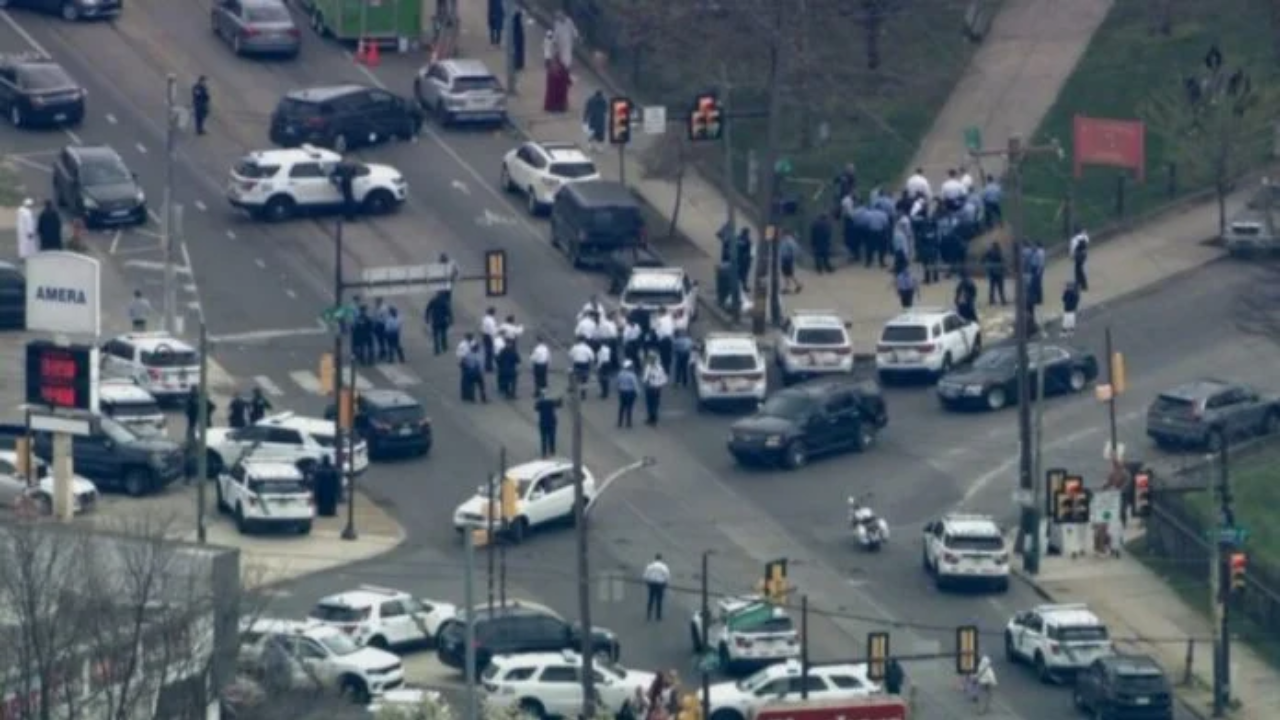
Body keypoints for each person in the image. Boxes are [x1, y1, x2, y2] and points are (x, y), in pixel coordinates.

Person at [643, 553, 670, 621]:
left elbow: (645, 575)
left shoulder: (650, 566)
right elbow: (667, 576)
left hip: (652, 584)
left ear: (655, 558)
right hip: (660, 585)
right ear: (661, 559)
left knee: (651, 599)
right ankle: (658, 616)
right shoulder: (664, 567)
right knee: (659, 600)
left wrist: (647, 582)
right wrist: (665, 583)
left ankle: (648, 614)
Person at [642, 354, 668, 426]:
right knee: (652, 404)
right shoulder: (653, 367)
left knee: (653, 404)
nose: (650, 360)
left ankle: (653, 419)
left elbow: (664, 379)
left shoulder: (656, 368)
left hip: (654, 388)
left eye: (650, 359)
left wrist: (659, 384)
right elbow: (645, 377)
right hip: (652, 388)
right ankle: (651, 418)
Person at [534, 390, 561, 458]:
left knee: (543, 439)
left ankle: (544, 453)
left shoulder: (540, 403)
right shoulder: (551, 402)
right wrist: (560, 398)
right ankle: (552, 452)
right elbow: (559, 404)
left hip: (543, 423)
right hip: (551, 422)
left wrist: (539, 399)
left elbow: (536, 408)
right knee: (552, 438)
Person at [425, 291, 452, 355]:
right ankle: (444, 347)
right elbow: (448, 311)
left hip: (435, 321)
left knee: (435, 336)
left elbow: (428, 309)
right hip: (443, 321)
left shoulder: (433, 301)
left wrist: (427, 318)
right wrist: (450, 319)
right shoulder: (444, 302)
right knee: (443, 334)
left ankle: (437, 350)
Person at [616, 360, 639, 428]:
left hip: (622, 392)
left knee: (622, 407)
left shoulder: (620, 373)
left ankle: (619, 422)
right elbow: (635, 385)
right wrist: (638, 393)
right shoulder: (632, 375)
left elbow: (617, 382)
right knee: (629, 408)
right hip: (630, 393)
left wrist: (618, 389)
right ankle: (628, 423)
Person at [1069, 225, 1090, 291]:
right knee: (1079, 269)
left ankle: (1082, 285)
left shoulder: (1074, 239)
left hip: (1078, 255)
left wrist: (1071, 256)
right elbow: (1087, 241)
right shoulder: (1084, 237)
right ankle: (1081, 284)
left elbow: (1072, 249)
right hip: (1084, 254)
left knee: (1078, 270)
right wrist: (1084, 233)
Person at [480, 307, 498, 373]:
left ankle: (487, 366)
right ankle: (489, 367)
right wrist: (495, 337)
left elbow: (482, 328)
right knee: (490, 352)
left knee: (487, 352)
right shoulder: (491, 320)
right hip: (489, 337)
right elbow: (492, 330)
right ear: (492, 313)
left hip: (485, 335)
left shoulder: (484, 318)